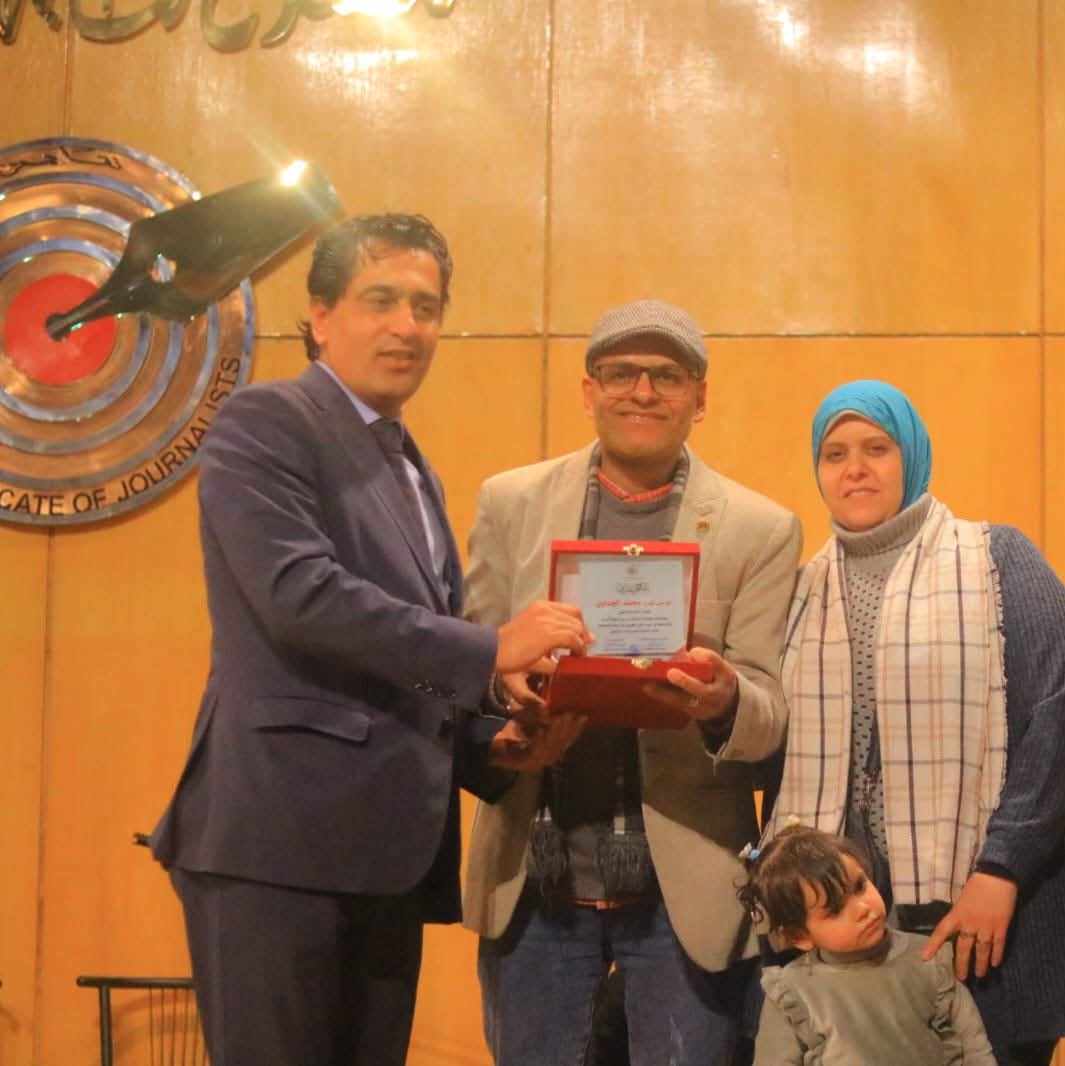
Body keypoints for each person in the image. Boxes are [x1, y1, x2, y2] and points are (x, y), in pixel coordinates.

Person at [148, 213, 591, 1065]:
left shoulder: (410, 465)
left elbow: (400, 663)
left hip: (386, 854)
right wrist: (490, 650)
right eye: (380, 300)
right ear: (320, 316)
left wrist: (490, 743)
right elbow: (299, 597)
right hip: (277, 842)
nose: (406, 326)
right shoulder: (264, 421)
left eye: (426, 307)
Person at [461, 298, 803, 1065]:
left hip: (686, 893)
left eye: (666, 375)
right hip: (534, 876)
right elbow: (467, 665)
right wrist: (509, 692)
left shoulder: (759, 527)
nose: (642, 391)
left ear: (698, 398)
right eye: (621, 373)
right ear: (588, 390)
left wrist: (725, 701)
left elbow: (771, 711)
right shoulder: (510, 503)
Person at [766, 380, 1065, 1066]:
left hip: (988, 912)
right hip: (853, 927)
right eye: (835, 454)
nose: (855, 468)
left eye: (876, 448)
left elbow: (1056, 718)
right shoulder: (799, 589)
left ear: (912, 454)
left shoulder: (997, 559)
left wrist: (1002, 868)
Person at [739, 825, 997, 1065]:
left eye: (860, 886)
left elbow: (975, 1048)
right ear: (799, 936)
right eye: (835, 910)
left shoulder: (928, 958)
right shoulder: (793, 992)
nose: (863, 908)